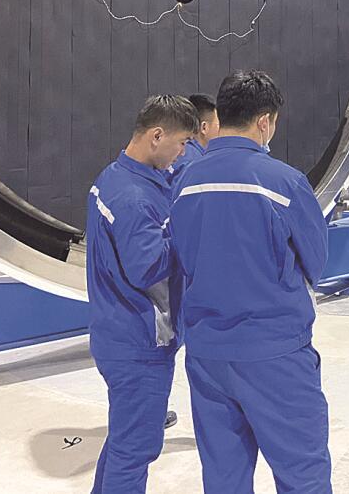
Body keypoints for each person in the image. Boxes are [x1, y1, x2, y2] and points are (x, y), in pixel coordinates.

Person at [170, 71, 331, 493]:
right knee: (302, 475)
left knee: (224, 478)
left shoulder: (184, 183)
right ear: (264, 121)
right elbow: (316, 263)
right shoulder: (285, 183)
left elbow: (180, 257)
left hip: (207, 356)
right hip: (274, 354)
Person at [86, 95, 198, 494]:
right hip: (139, 343)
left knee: (124, 440)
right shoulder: (134, 198)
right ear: (156, 136)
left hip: (116, 333)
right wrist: (189, 233)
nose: (183, 152)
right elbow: (146, 267)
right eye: (182, 143)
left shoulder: (115, 178)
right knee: (136, 449)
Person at [169, 94, 220, 189]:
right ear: (204, 127)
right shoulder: (196, 164)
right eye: (218, 125)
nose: (221, 130)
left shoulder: (176, 153)